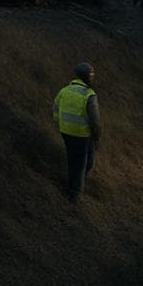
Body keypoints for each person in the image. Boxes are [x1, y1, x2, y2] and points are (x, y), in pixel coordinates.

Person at [53, 61, 102, 202]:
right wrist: (97, 136)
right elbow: (95, 121)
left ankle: (74, 182)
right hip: (82, 135)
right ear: (87, 77)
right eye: (91, 75)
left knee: (74, 160)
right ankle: (74, 195)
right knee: (82, 164)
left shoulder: (64, 90)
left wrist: (62, 125)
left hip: (66, 132)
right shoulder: (89, 95)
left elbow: (55, 110)